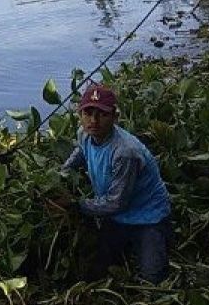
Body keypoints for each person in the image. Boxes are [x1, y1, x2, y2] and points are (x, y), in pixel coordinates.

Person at [59, 83, 172, 284]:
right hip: (116, 217)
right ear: (80, 115)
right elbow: (80, 153)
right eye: (88, 113)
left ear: (114, 116)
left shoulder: (125, 152)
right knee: (94, 269)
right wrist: (62, 173)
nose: (93, 120)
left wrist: (77, 204)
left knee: (153, 279)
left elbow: (116, 203)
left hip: (147, 216)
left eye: (101, 114)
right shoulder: (84, 133)